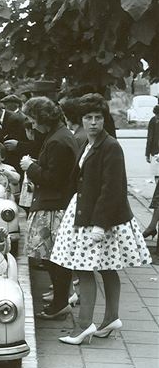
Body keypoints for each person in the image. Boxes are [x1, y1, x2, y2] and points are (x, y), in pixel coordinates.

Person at [50, 93, 151, 345]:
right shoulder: (88, 143)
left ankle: (84, 325)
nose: (93, 122)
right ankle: (111, 318)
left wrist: (100, 224)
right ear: (81, 120)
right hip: (86, 210)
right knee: (105, 267)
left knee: (84, 268)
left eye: (98, 117)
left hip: (98, 216)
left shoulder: (110, 146)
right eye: (88, 118)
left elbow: (112, 187)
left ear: (104, 119)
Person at [18, 97, 79, 320]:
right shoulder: (60, 135)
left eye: (33, 120)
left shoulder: (57, 141)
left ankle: (60, 302)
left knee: (54, 259)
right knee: (53, 258)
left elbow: (54, 179)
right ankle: (60, 299)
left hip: (54, 206)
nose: (32, 125)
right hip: (56, 203)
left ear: (43, 118)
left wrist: (31, 167)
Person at [145, 105, 159, 182]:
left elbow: (150, 138)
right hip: (155, 151)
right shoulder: (153, 121)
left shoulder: (153, 121)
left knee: (157, 173)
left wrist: (147, 154)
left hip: (155, 151)